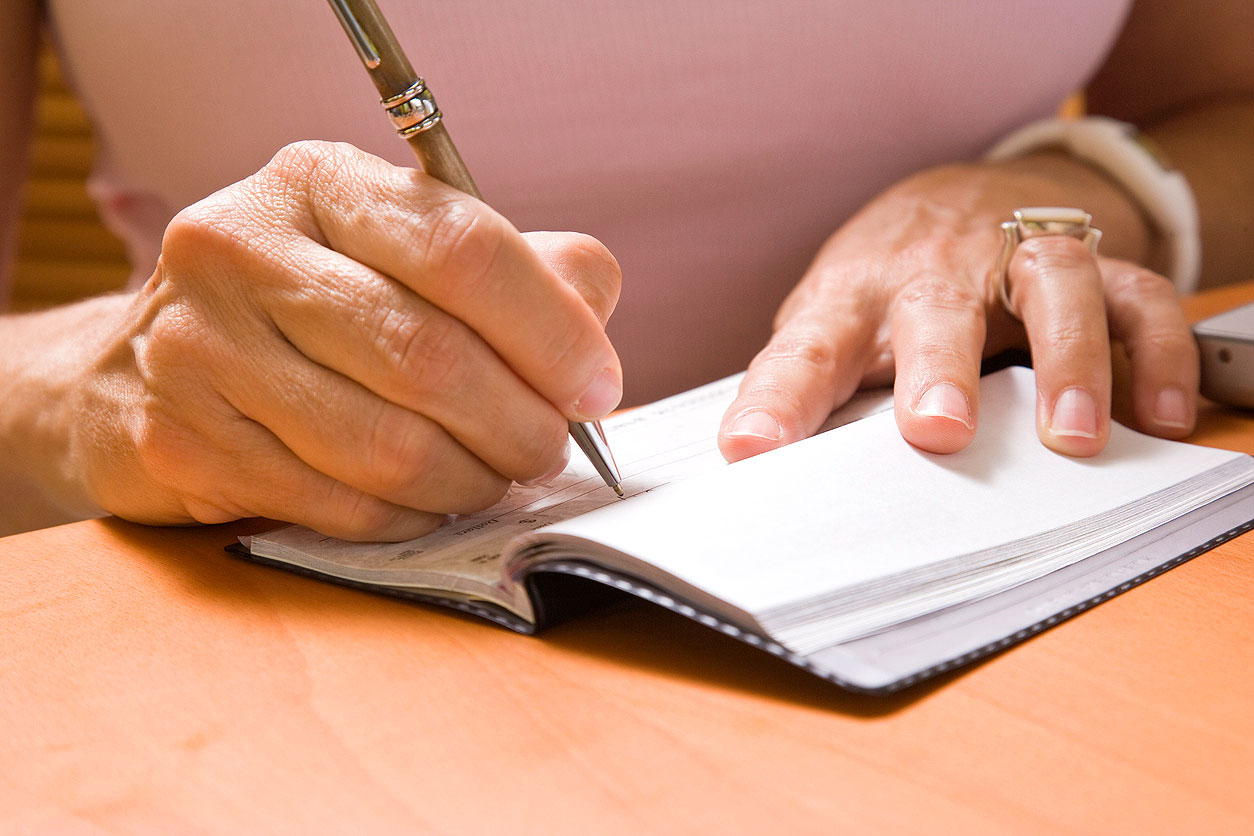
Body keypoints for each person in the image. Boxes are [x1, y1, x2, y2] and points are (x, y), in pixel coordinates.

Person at [1, 0, 1251, 540]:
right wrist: (95, 389)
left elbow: (1225, 105)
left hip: (1028, 582)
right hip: (258, 647)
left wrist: (1072, 194)